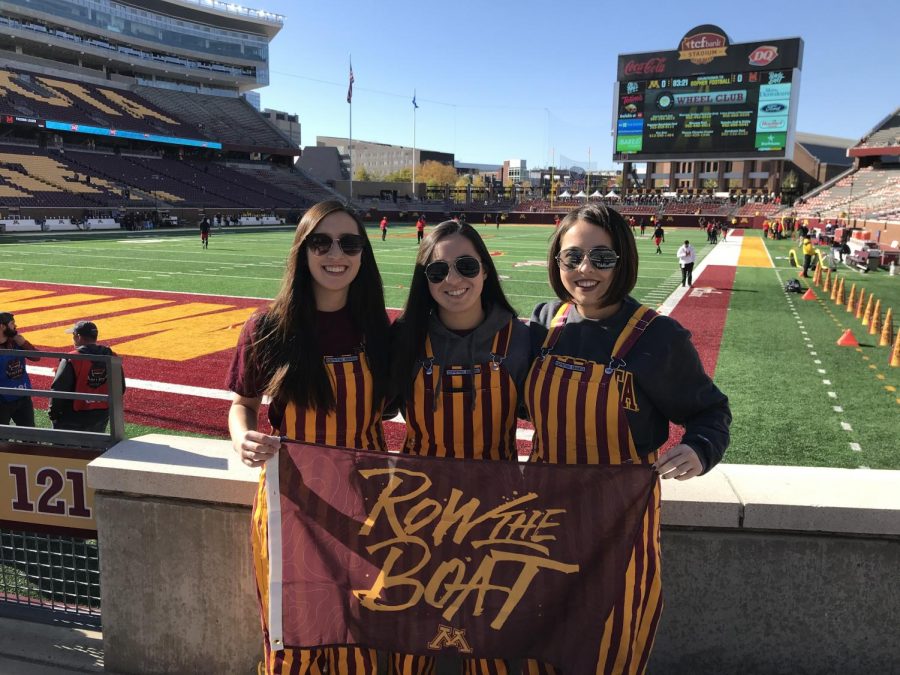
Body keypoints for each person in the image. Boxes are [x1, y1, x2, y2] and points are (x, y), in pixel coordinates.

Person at [524, 204, 730, 673]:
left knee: (607, 650)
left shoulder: (658, 337)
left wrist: (700, 449)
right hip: (540, 522)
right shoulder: (544, 323)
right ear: (556, 261)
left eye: (602, 258)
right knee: (539, 645)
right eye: (571, 257)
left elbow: (711, 412)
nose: (584, 270)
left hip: (616, 527)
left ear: (624, 261)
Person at [227, 200, 391, 675]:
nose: (335, 253)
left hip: (368, 501)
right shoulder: (267, 327)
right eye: (321, 241)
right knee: (291, 634)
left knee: (361, 633)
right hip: (290, 503)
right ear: (302, 250)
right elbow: (243, 403)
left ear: (363, 254)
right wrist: (242, 437)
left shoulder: (381, 330)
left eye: (349, 243)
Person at [388, 220, 530, 674]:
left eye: (466, 265)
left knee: (492, 639)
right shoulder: (403, 338)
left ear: (486, 270)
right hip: (418, 516)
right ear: (423, 280)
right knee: (413, 640)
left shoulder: (524, 339)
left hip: (496, 516)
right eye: (437, 271)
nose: (453, 280)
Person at [49, 321, 125, 432]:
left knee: (65, 449)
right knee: (94, 448)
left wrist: (53, 414)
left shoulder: (72, 358)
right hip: (101, 414)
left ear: (78, 336)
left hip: (73, 416)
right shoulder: (112, 356)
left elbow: (59, 390)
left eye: (73, 335)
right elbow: (120, 388)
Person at [0, 312, 39, 427]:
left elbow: (37, 357)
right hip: (2, 400)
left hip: (22, 396)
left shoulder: (16, 341)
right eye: (12, 324)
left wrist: (24, 343)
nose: (15, 326)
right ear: (2, 326)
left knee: (30, 435)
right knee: (2, 437)